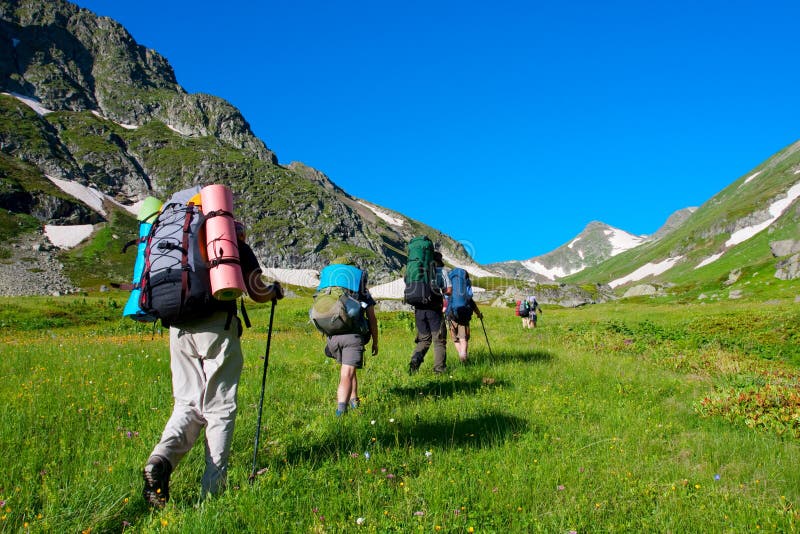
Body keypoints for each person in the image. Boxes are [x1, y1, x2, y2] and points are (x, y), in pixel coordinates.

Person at [142, 221, 283, 508]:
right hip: (216, 326)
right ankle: (213, 488)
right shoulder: (230, 242)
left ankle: (160, 459)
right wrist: (274, 292)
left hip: (177, 328)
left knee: (187, 403)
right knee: (220, 406)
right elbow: (257, 290)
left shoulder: (178, 240)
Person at [317, 258, 379, 416]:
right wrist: (375, 342)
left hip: (333, 337)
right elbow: (372, 318)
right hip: (352, 337)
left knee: (349, 370)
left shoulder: (330, 289)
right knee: (347, 373)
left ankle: (355, 401)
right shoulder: (360, 290)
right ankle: (340, 412)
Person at [408, 251, 450, 374]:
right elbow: (449, 290)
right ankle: (439, 369)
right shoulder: (441, 271)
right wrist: (441, 291)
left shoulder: (417, 271)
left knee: (424, 340)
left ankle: (415, 359)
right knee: (439, 340)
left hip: (419, 309)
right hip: (434, 310)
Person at [448, 283, 483, 363]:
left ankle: (462, 356)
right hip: (464, 320)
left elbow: (446, 306)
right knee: (463, 339)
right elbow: (474, 307)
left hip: (452, 319)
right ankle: (463, 358)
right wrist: (479, 315)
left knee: (456, 340)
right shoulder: (467, 296)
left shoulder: (451, 293)